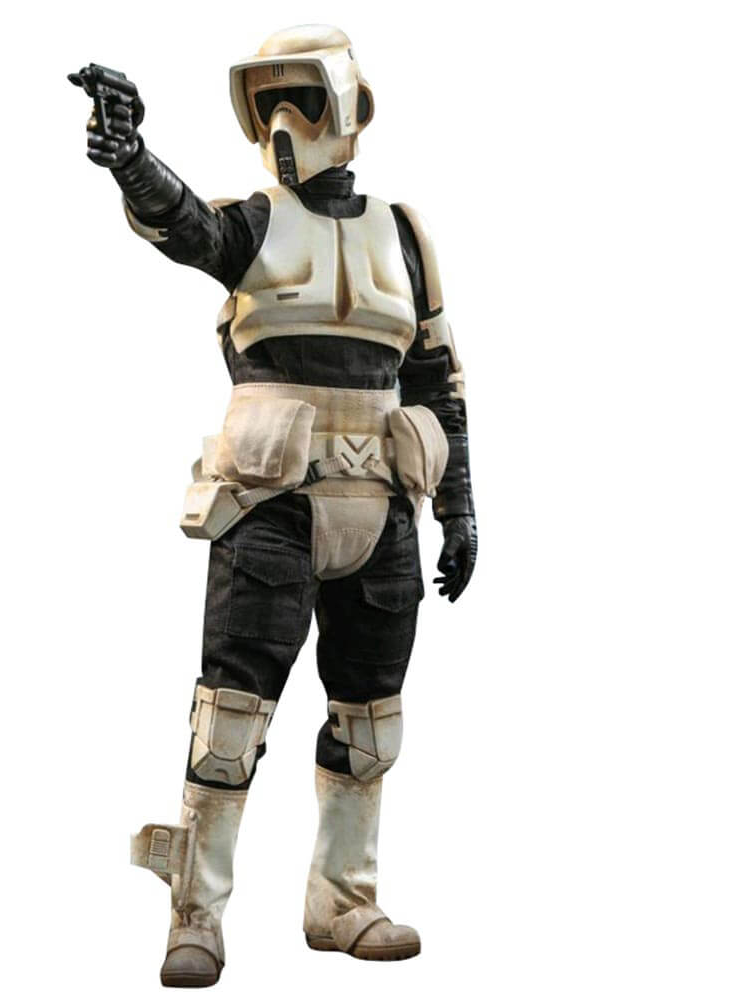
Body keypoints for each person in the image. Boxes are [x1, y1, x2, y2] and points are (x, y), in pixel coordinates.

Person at [70, 24, 477, 988]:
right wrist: (131, 159)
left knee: (369, 717)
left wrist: (460, 508)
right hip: (271, 502)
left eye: (303, 99)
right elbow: (186, 226)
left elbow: (438, 378)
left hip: (383, 501)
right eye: (266, 104)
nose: (284, 122)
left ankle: (344, 900)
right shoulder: (253, 226)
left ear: (352, 108)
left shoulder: (405, 237)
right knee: (231, 716)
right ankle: (197, 913)